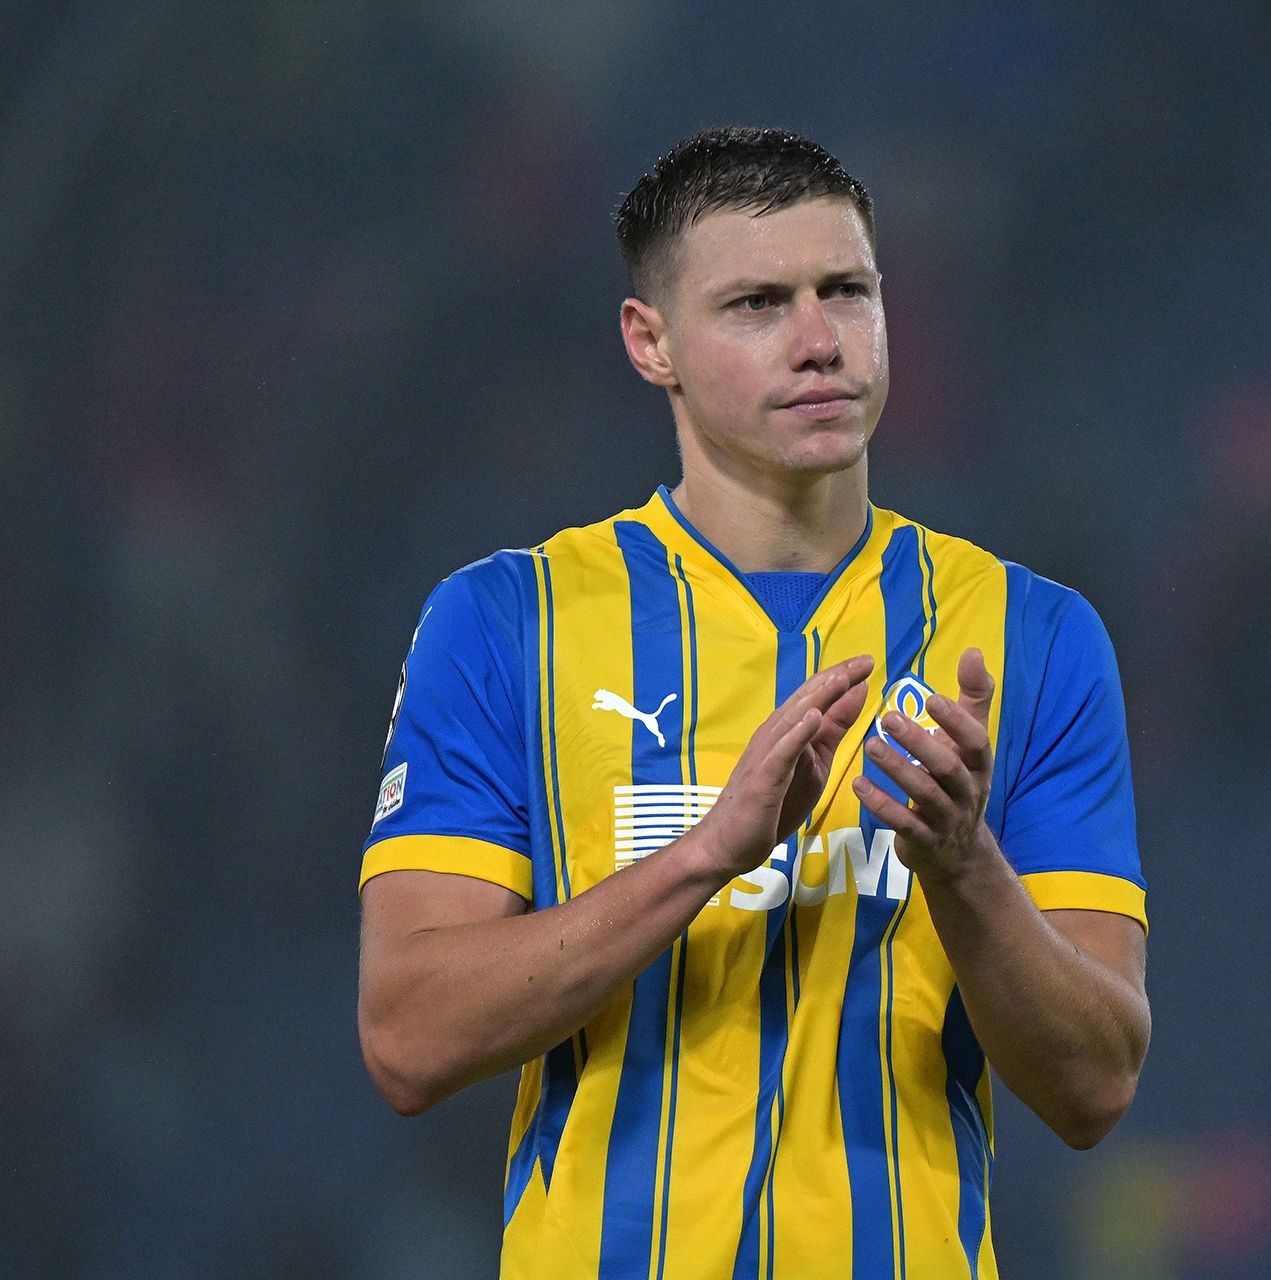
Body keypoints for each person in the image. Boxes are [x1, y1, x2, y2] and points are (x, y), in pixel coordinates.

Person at [356, 126, 1150, 1278]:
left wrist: (963, 862)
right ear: (652, 343)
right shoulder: (506, 623)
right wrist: (705, 855)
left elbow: (1097, 1084)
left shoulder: (1031, 637)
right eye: (758, 305)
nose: (820, 340)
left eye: (848, 291)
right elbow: (407, 1037)